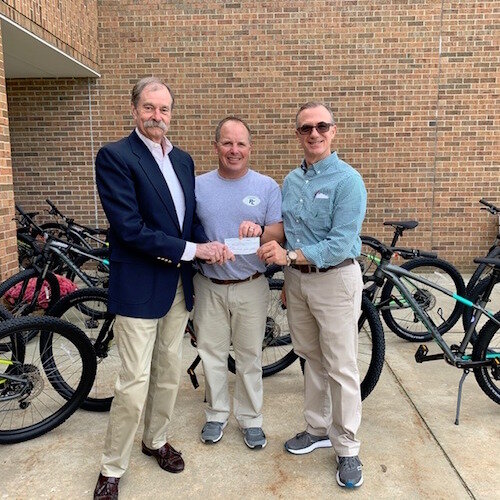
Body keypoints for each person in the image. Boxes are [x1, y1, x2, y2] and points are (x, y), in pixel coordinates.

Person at [93, 77, 230, 500]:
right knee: (133, 381)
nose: (157, 116)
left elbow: (187, 220)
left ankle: (155, 440)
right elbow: (130, 229)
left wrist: (213, 245)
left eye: (164, 109)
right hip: (139, 285)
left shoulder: (184, 160)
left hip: (177, 285)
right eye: (150, 108)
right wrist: (194, 248)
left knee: (169, 372)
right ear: (134, 109)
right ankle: (112, 468)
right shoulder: (116, 156)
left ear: (172, 113)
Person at [258, 102, 367, 488]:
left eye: (322, 126)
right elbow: (287, 230)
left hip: (334, 280)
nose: (314, 133)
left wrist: (290, 256)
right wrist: (264, 241)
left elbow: (340, 243)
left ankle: (348, 448)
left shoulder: (348, 181)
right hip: (299, 282)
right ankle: (318, 429)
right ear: (298, 134)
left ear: (333, 131)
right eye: (306, 128)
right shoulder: (292, 181)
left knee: (341, 366)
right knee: (311, 358)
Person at [193, 116, 284, 450]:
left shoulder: (266, 187)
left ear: (250, 147)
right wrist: (202, 252)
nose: (234, 150)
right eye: (227, 143)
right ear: (216, 146)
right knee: (212, 354)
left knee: (249, 357)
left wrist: (261, 231)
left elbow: (279, 231)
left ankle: (250, 419)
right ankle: (216, 414)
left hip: (251, 284)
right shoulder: (198, 186)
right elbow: (188, 230)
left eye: (241, 144)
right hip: (208, 285)